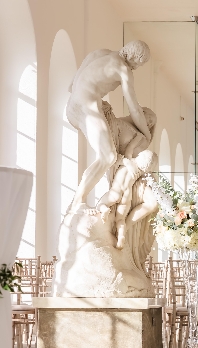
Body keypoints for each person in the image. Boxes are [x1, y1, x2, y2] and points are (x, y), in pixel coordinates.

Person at [66, 40, 152, 213]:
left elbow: (71, 85)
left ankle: (78, 202)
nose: (136, 68)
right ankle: (77, 202)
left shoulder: (101, 52)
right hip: (87, 108)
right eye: (138, 64)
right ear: (134, 57)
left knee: (109, 155)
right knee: (108, 156)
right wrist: (146, 133)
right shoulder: (123, 70)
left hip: (72, 106)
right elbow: (134, 108)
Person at [87, 150, 158, 249]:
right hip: (127, 196)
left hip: (115, 192)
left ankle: (104, 209)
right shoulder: (138, 171)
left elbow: (117, 159)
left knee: (101, 204)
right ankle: (121, 237)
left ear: (140, 155)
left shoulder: (128, 161)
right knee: (120, 219)